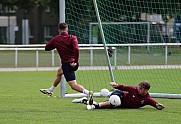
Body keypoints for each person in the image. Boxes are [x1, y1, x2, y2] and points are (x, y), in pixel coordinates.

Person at [40, 22, 93, 98]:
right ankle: (50, 90)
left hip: (67, 64)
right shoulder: (73, 37)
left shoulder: (56, 39)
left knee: (73, 85)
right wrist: (75, 61)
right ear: (67, 29)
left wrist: (56, 45)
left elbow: (47, 48)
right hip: (74, 63)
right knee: (59, 72)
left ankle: (88, 93)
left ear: (59, 30)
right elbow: (76, 49)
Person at [82, 81, 164, 110]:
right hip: (120, 94)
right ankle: (94, 107)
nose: (138, 89)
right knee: (115, 101)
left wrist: (158, 106)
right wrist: (115, 85)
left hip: (121, 105)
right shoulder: (133, 89)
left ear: (146, 90)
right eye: (139, 87)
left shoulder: (147, 99)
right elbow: (123, 87)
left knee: (112, 105)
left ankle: (87, 101)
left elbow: (155, 104)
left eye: (141, 89)